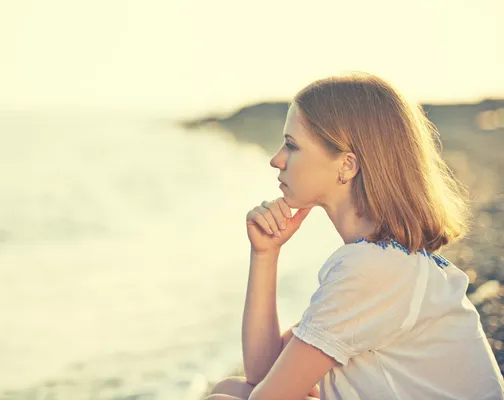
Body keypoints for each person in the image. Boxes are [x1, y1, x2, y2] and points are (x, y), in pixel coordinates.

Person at [205, 72, 504, 400]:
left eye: (291, 145)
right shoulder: (389, 258)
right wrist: (264, 255)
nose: (277, 160)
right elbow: (263, 373)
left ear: (347, 165)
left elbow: (268, 396)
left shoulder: (370, 268)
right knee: (230, 389)